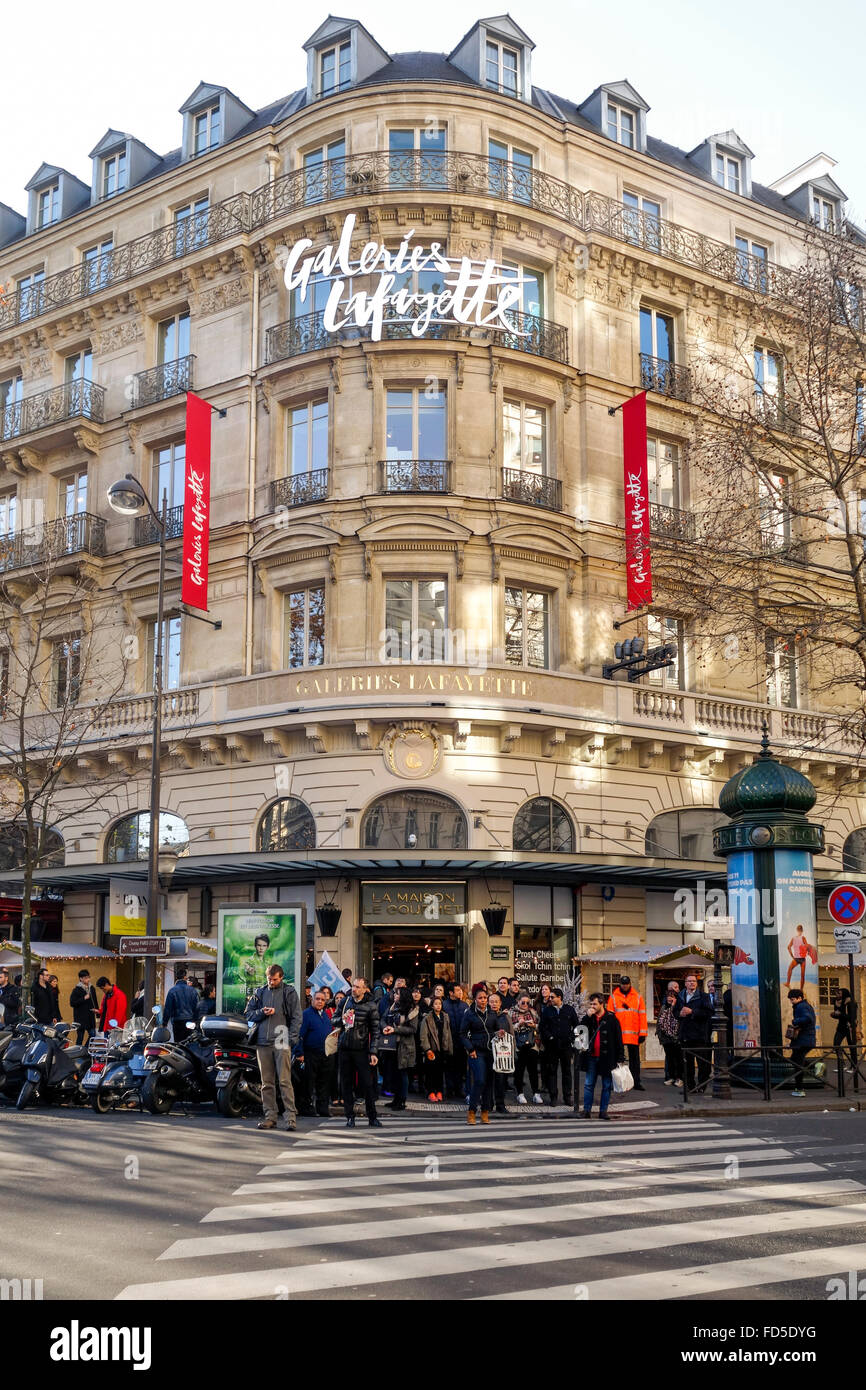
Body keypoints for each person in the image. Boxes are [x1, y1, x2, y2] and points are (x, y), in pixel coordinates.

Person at [246, 964, 301, 1130]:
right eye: (269, 979)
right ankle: (270, 1117)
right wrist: (262, 1012)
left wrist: (290, 1040)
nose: (271, 982)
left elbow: (296, 1017)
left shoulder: (289, 992)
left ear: (281, 977)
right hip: (262, 1041)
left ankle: (290, 1118)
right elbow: (248, 1013)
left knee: (284, 1081)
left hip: (281, 1041)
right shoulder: (260, 992)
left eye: (274, 979)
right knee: (266, 1083)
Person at [334, 975, 381, 1127]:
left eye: (357, 987)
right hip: (344, 1048)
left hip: (361, 1050)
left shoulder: (371, 1005)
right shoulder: (345, 1001)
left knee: (367, 1084)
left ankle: (372, 1117)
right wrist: (342, 1019)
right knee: (346, 1084)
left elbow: (375, 1031)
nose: (354, 989)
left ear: (365, 989)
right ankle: (350, 1116)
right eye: (353, 986)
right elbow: (333, 1019)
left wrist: (373, 1052)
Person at [577, 993, 626, 1119]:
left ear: (601, 1004)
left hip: (608, 1057)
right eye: (591, 1004)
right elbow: (580, 1031)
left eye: (595, 1004)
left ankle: (603, 1111)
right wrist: (587, 1017)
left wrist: (620, 1058)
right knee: (588, 1084)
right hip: (592, 1056)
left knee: (606, 1085)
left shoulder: (611, 1018)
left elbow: (618, 1039)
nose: (592, 1006)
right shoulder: (589, 1017)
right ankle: (586, 1110)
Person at [460, 984, 500, 1124]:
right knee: (480, 1080)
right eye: (480, 998)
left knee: (489, 1082)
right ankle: (472, 1111)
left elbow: (496, 1030)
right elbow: (462, 1034)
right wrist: (470, 1049)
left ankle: (485, 1111)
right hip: (476, 1051)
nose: (483, 1000)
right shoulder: (469, 1014)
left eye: (485, 998)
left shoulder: (492, 1014)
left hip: (491, 1052)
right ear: (475, 1000)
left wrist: (499, 1032)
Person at [296, 988, 334, 1117]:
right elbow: (299, 1035)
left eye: (322, 1000)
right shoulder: (306, 1014)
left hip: (325, 1054)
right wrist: (299, 1053)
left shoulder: (325, 1015)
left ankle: (322, 1108)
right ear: (312, 1000)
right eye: (317, 999)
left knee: (324, 1082)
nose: (320, 1001)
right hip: (310, 1053)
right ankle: (305, 1107)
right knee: (308, 1082)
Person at [605, 976, 647, 1090]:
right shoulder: (614, 997)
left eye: (626, 983)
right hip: (618, 1034)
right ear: (620, 984)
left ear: (630, 984)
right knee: (616, 1059)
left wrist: (643, 1033)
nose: (625, 985)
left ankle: (636, 1082)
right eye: (623, 984)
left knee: (635, 1060)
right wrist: (610, 1033)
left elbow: (642, 1015)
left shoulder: (638, 997)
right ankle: (615, 1082)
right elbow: (609, 1016)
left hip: (633, 1034)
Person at [673, 972, 713, 1092]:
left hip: (699, 1035)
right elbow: (675, 1012)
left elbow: (709, 1013)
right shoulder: (680, 996)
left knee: (703, 1064)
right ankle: (690, 1087)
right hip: (685, 1035)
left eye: (694, 981)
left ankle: (702, 1086)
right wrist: (678, 1014)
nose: (692, 983)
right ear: (685, 984)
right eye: (689, 981)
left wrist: (692, 1012)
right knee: (687, 1064)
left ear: (697, 984)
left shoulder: (703, 996)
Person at [540, 987, 578, 1106]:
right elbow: (542, 1027)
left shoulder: (569, 1010)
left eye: (552, 997)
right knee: (552, 1071)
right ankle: (553, 1097)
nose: (550, 999)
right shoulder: (547, 1011)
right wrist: (549, 1037)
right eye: (550, 997)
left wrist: (571, 1037)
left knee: (567, 1071)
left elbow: (576, 1025)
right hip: (552, 1046)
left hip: (566, 1046)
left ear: (559, 997)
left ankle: (567, 1097)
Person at [509, 992, 544, 1104]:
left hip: (531, 1044)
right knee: (519, 1071)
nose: (525, 1004)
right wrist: (518, 1024)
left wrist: (534, 1025)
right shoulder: (511, 1012)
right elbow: (508, 1029)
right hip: (518, 1045)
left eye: (527, 1002)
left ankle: (536, 1093)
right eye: (523, 1002)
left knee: (533, 1070)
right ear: (518, 1001)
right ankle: (520, 1093)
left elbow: (540, 1026)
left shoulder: (532, 1012)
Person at [420, 995, 453, 1101]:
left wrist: (449, 1048)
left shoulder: (445, 1016)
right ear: (432, 1006)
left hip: (443, 1049)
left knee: (440, 1072)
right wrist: (427, 1049)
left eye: (440, 1004)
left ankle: (439, 1091)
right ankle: (430, 1092)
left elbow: (448, 1033)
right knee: (430, 1072)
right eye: (436, 1004)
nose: (438, 1006)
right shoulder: (427, 1018)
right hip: (432, 1049)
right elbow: (423, 1035)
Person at [487, 991, 514, 1113]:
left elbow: (511, 1033)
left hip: (502, 1053)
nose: (494, 1004)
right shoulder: (485, 1016)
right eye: (491, 1001)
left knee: (501, 1079)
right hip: (488, 1051)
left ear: (500, 1003)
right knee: (489, 1079)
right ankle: (488, 1103)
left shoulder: (504, 1016)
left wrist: (513, 1051)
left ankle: (500, 1104)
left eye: (496, 1002)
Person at [788, 987, 816, 1097]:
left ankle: (799, 1089)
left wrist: (795, 1021)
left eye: (793, 999)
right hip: (807, 1039)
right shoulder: (804, 1005)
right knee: (795, 1060)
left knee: (797, 1063)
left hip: (803, 1039)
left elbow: (808, 1018)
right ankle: (814, 1066)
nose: (791, 1001)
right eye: (790, 999)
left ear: (800, 998)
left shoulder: (801, 1006)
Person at [444, 984, 469, 1099]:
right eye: (457, 990)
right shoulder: (444, 1005)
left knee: (461, 1066)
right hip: (449, 1040)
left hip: (461, 1040)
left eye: (460, 990)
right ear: (451, 993)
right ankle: (449, 1089)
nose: (460, 992)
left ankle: (459, 1089)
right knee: (449, 1066)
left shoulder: (464, 1005)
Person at [163, 967, 201, 1040]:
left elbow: (168, 1008)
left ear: (177, 978)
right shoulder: (192, 990)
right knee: (189, 1042)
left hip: (177, 1021)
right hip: (190, 1020)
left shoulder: (172, 990)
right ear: (185, 977)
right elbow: (197, 1007)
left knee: (178, 1043)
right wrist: (195, 1020)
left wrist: (164, 1023)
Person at [655, 982, 682, 1086]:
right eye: (668, 997)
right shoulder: (664, 1007)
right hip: (666, 1037)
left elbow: (679, 1019)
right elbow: (659, 1021)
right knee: (670, 1058)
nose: (670, 999)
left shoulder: (678, 1007)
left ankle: (679, 1077)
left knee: (678, 1058)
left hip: (676, 1036)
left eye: (672, 997)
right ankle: (671, 1077)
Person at [69, 969, 98, 1047]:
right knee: (80, 1037)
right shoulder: (76, 990)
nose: (87, 979)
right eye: (85, 977)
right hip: (80, 1017)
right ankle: (77, 1052)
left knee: (93, 1034)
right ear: (81, 978)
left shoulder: (92, 988)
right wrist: (84, 998)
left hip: (90, 1016)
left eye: (88, 977)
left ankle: (85, 1049)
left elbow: (95, 1001)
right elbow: (72, 1003)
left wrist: (98, 1013)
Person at [831, 988, 857, 1071]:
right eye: (837, 993)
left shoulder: (851, 1003)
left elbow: (852, 1017)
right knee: (836, 1044)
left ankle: (853, 1066)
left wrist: (840, 1013)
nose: (837, 995)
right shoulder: (839, 1002)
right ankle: (842, 1065)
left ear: (845, 994)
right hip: (841, 1026)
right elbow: (839, 1016)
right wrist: (834, 1014)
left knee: (852, 1047)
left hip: (850, 1027)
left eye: (839, 993)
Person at [785, 924, 809, 989]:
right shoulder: (803, 938)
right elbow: (807, 947)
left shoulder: (794, 938)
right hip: (802, 958)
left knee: (790, 969)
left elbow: (788, 947)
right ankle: (801, 989)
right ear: (802, 930)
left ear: (797, 930)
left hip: (797, 958)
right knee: (802, 975)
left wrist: (792, 955)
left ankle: (788, 983)